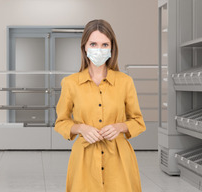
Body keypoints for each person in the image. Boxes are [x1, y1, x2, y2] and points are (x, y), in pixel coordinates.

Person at [54, 19, 146, 192]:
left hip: (119, 160)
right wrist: (81, 128)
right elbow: (61, 122)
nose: (99, 49)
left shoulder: (125, 82)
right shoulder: (70, 83)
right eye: (93, 44)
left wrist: (120, 126)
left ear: (111, 48)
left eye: (105, 44)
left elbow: (138, 122)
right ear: (84, 47)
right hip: (83, 160)